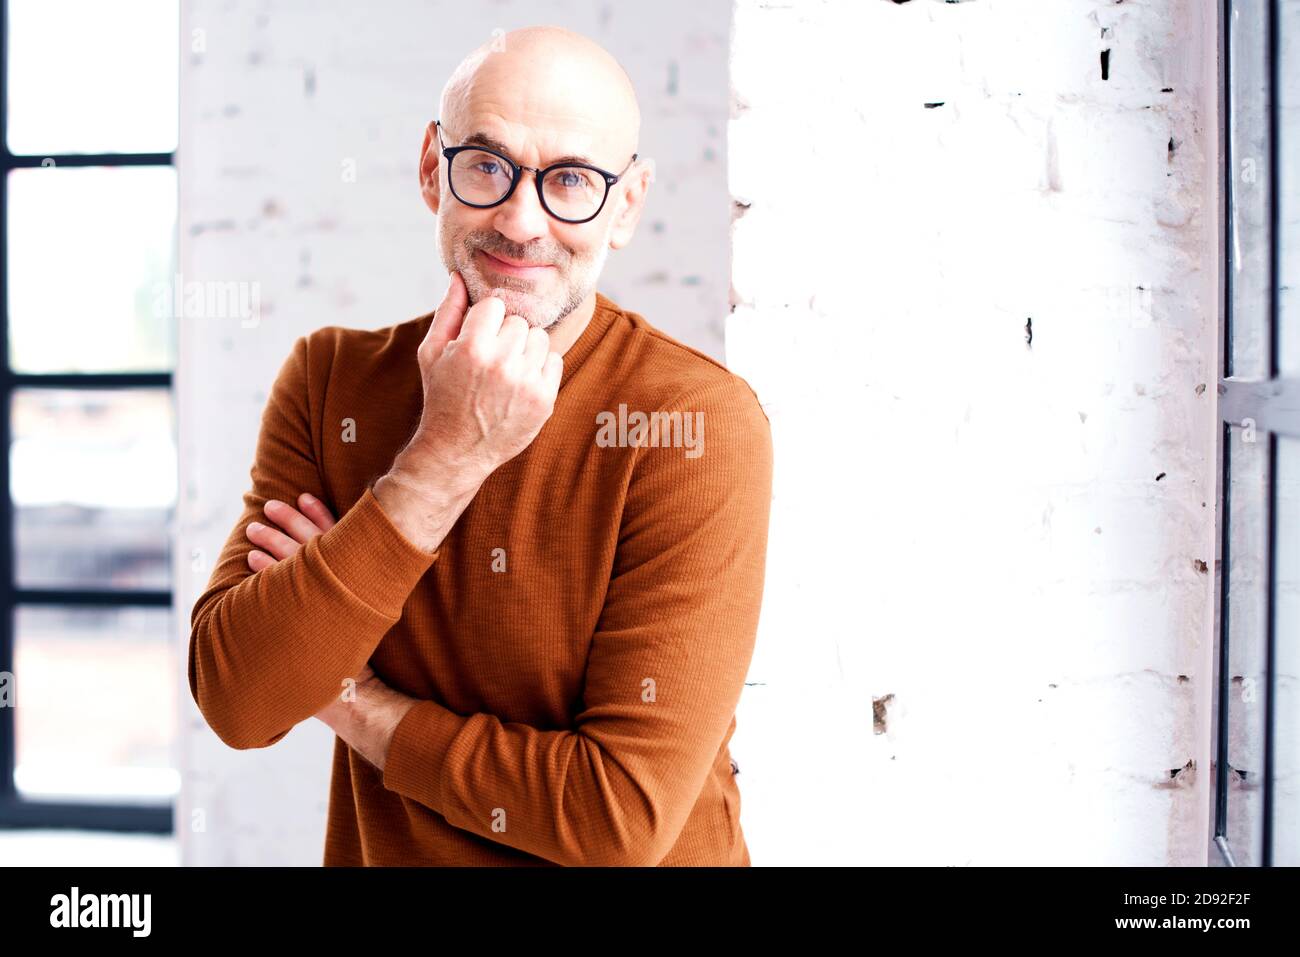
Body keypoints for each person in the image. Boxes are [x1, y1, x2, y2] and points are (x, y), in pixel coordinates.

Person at [188, 24, 773, 866]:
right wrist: (445, 454)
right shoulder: (331, 383)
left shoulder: (695, 424)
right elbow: (242, 702)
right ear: (434, 169)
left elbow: (616, 820)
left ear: (628, 206)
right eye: (487, 166)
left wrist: (354, 700)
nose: (521, 219)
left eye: (571, 179)